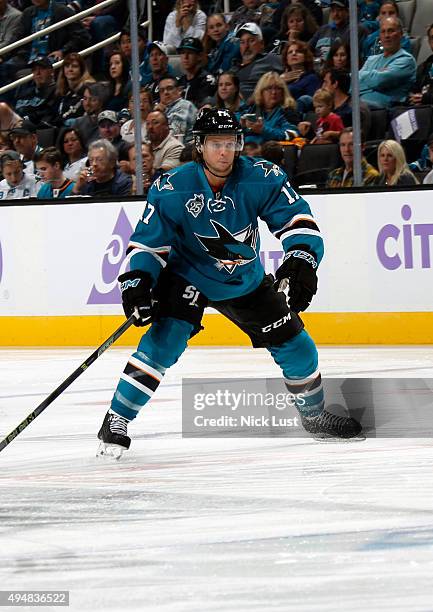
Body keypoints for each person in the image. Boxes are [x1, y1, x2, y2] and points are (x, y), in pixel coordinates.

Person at [95, 107, 362, 458]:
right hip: (186, 275)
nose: (224, 151)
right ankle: (117, 419)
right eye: (215, 143)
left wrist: (301, 260)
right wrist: (138, 281)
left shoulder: (262, 177)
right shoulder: (172, 188)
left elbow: (298, 222)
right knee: (164, 341)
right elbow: (147, 243)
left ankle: (313, 417)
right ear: (199, 146)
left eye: (231, 142)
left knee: (298, 346)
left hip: (244, 279)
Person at [359, 16, 416, 109]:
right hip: (362, 109)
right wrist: (374, 76)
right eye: (383, 31)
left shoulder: (406, 60)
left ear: (401, 34)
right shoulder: (371, 59)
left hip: (387, 112)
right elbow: (354, 83)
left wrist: (363, 76)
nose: (386, 35)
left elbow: (379, 81)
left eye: (391, 31)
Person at [239, 71, 299, 146]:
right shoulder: (251, 109)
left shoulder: (288, 112)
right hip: (246, 151)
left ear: (283, 92)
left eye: (278, 88)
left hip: (272, 153)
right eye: (269, 88)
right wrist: (241, 128)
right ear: (261, 92)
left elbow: (292, 134)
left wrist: (263, 130)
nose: (273, 92)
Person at [232, 22, 283, 101]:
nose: (246, 46)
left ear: (262, 44)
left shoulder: (270, 59)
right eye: (242, 42)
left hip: (255, 107)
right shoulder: (234, 68)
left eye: (251, 41)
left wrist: (281, 80)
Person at [13, 55, 57, 126]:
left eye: (42, 69)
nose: (38, 73)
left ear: (52, 71)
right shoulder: (25, 93)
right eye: (35, 69)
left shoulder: (56, 91)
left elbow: (47, 118)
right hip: (16, 128)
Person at [54, 52, 95, 127]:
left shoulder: (89, 88)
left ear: (81, 70)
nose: (70, 69)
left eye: (74, 66)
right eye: (67, 66)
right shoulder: (62, 92)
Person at [153, 76, 197, 144]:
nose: (165, 92)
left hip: (186, 149)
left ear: (179, 90)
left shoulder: (183, 105)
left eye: (169, 88)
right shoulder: (163, 110)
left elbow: (175, 135)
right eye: (162, 90)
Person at [177, 37, 216, 108]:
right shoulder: (180, 81)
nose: (185, 57)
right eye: (183, 53)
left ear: (199, 56)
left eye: (190, 53)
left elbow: (204, 107)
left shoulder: (207, 80)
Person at [74, 82, 109, 146]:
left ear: (102, 101)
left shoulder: (110, 124)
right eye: (85, 99)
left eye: (92, 100)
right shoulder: (78, 123)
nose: (87, 103)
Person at [409, 23, 433, 107]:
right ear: (429, 42)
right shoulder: (424, 67)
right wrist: (412, 98)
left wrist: (426, 98)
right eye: (432, 38)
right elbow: (413, 91)